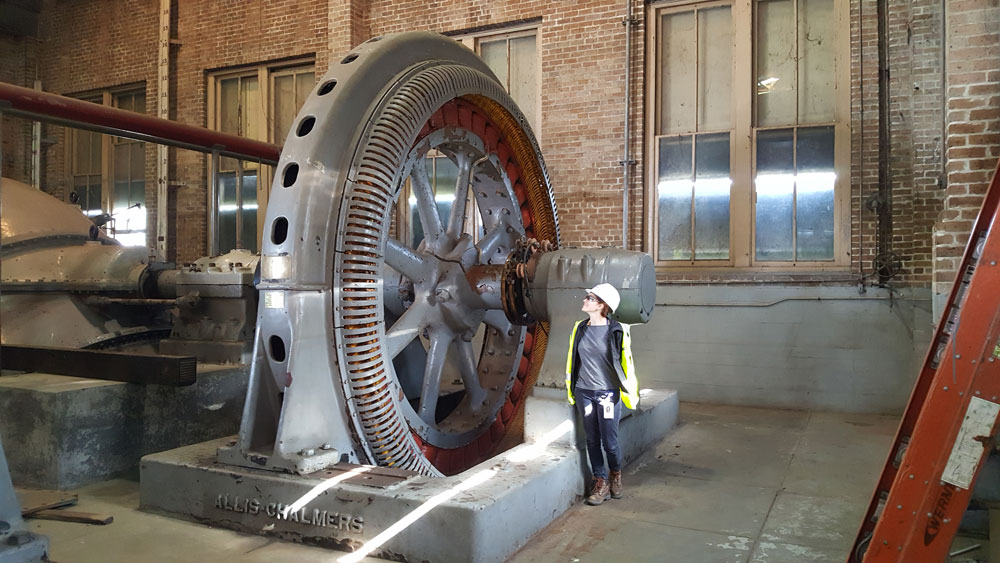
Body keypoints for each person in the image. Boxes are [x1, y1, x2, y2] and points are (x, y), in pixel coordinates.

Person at [564, 283, 639, 506]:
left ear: (601, 305)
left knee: (610, 441)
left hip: (607, 393)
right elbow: (572, 360)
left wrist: (627, 389)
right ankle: (601, 481)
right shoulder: (579, 328)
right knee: (592, 439)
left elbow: (626, 363)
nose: (584, 301)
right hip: (584, 392)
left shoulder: (617, 329)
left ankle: (616, 474)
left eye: (590, 298)